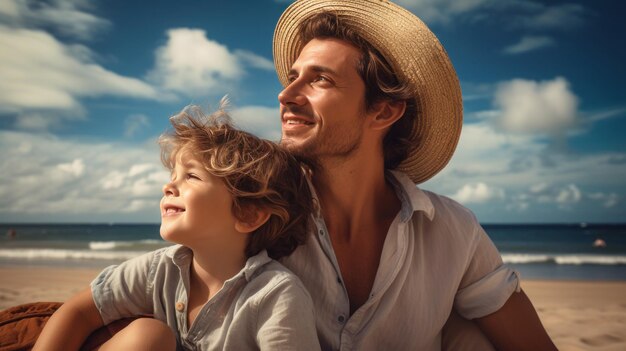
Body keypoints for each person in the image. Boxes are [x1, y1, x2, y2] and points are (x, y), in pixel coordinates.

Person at [273, 1, 557, 350]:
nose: (285, 95)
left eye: (320, 79)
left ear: (383, 111)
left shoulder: (452, 231)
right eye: (293, 77)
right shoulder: (251, 213)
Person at [33, 101, 320, 351]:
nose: (169, 186)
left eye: (192, 177)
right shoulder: (158, 270)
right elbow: (79, 312)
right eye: (173, 175)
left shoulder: (276, 295)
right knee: (148, 336)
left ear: (248, 215)